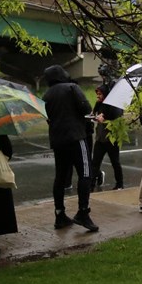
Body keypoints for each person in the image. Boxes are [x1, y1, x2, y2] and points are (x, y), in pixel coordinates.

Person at [42, 64, 98, 232]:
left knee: (60, 177)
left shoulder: (46, 95)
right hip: (76, 137)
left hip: (58, 140)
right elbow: (86, 109)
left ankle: (60, 215)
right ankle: (83, 212)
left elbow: (47, 118)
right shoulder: (72, 87)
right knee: (85, 174)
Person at [90, 84, 124, 190]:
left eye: (100, 94)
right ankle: (91, 184)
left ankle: (119, 184)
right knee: (95, 162)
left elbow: (116, 120)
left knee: (115, 162)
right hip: (100, 138)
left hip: (111, 139)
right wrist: (94, 117)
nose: (98, 96)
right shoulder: (99, 104)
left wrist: (103, 120)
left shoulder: (113, 106)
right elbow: (94, 114)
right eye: (97, 94)